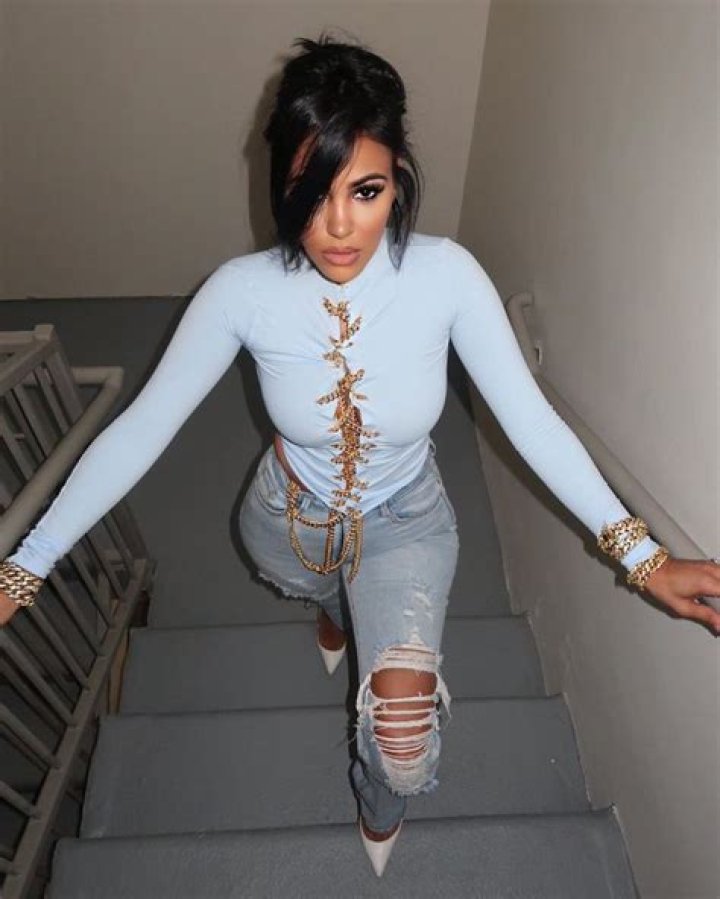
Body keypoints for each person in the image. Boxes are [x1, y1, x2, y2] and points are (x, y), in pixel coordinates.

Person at [1, 33, 719, 879]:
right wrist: (27, 564)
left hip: (408, 517)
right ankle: (335, 609)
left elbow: (530, 418)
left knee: (403, 746)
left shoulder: (448, 277)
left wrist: (643, 558)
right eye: (311, 193)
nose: (339, 226)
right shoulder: (241, 292)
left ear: (398, 180)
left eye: (366, 190)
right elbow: (141, 427)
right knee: (319, 588)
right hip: (288, 516)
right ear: (279, 184)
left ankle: (378, 794)